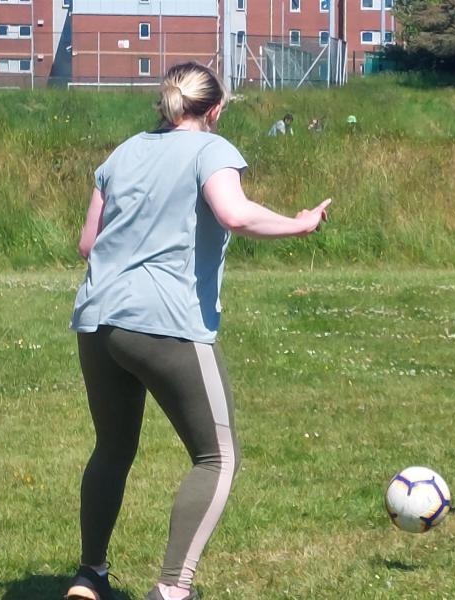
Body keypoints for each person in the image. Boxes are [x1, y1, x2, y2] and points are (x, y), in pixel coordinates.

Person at [65, 62, 330, 600]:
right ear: (214, 109)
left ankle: (89, 576)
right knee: (217, 457)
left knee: (112, 450)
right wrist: (300, 224)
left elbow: (88, 245)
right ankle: (173, 589)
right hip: (166, 323)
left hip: (97, 321)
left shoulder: (123, 153)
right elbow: (233, 214)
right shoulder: (213, 149)